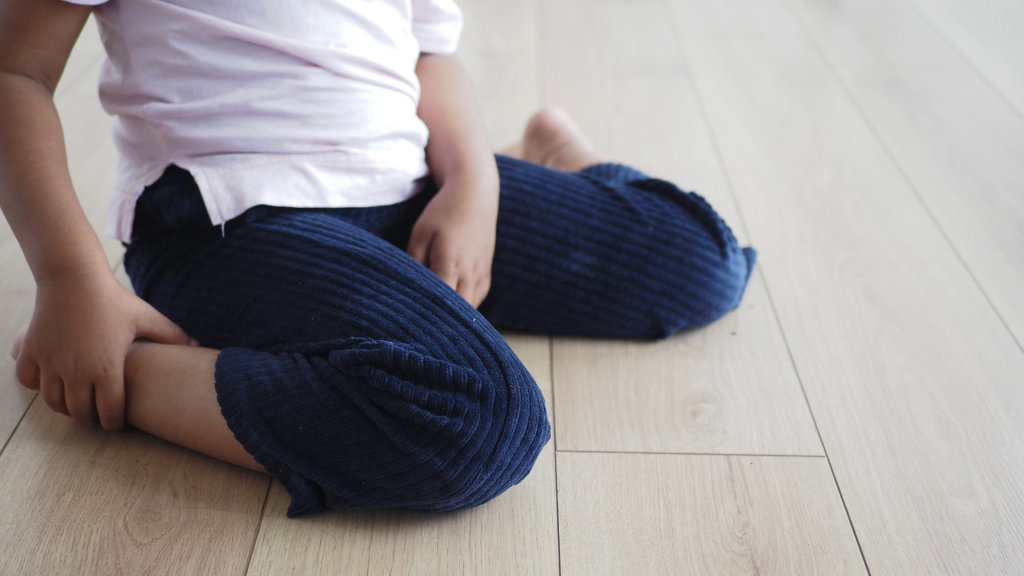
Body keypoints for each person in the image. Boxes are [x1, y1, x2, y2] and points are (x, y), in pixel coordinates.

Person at [0, 0, 756, 516]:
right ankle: (126, 371)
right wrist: (72, 281)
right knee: (477, 423)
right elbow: (16, 73)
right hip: (228, 223)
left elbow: (430, 56)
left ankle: (544, 155)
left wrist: (474, 182)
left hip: (409, 186)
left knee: (702, 261)